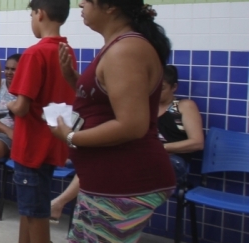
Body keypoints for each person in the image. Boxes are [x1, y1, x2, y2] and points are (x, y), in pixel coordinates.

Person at [48, 0, 175, 243]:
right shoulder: (116, 47)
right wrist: (74, 80)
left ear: (111, 8)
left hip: (127, 179)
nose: (81, 5)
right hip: (103, 180)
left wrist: (72, 137)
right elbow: (107, 106)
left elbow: (132, 125)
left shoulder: (126, 50)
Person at [0, 0, 76, 243]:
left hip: (31, 146)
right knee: (33, 210)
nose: (31, 20)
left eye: (31, 14)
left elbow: (21, 106)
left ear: (40, 14)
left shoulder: (34, 54)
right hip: (52, 143)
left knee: (36, 214)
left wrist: (9, 105)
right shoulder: (66, 51)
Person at [49, 64, 204, 221]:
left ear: (174, 87)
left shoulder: (183, 107)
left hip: (172, 161)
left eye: (162, 88)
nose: (155, 92)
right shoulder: (145, 107)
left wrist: (159, 147)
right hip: (141, 156)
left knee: (107, 163)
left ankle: (61, 202)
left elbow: (196, 142)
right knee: (98, 161)